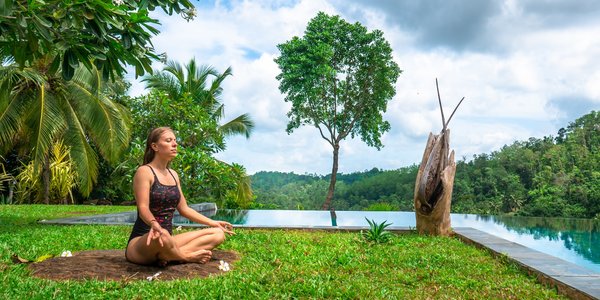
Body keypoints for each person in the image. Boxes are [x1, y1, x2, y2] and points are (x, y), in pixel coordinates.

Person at [125, 127, 234, 266]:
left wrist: (213, 223)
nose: (175, 144)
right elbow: (143, 207)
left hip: (168, 240)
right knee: (163, 236)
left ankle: (169, 256)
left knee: (218, 234)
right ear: (155, 146)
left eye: (175, 140)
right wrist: (154, 224)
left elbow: (184, 209)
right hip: (143, 242)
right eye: (169, 140)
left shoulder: (173, 174)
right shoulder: (145, 171)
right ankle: (186, 256)